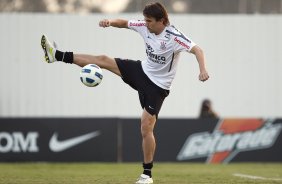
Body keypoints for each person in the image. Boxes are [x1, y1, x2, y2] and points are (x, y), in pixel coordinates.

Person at [40, 2, 209, 183]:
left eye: (149, 21)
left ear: (162, 21)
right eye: (145, 20)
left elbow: (197, 49)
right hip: (142, 71)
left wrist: (202, 70)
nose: (145, 24)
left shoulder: (174, 37)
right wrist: (110, 21)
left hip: (158, 87)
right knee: (103, 59)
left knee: (146, 127)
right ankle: (56, 55)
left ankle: (147, 175)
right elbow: (125, 23)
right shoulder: (145, 26)